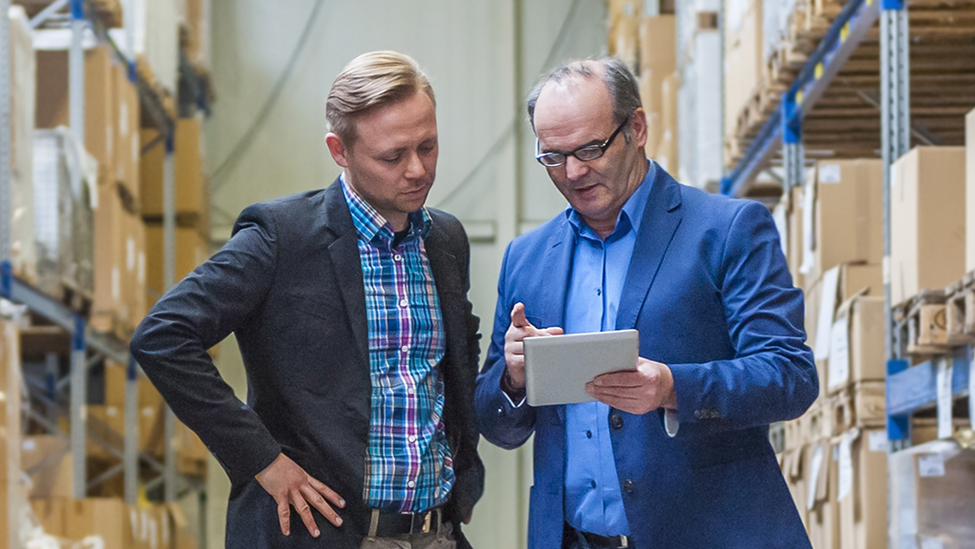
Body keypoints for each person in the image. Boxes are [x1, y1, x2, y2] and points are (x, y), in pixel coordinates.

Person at [130, 51, 484, 549]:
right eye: (392, 156)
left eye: (428, 146)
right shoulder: (281, 238)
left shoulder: (445, 241)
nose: (417, 169)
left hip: (436, 531)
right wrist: (262, 461)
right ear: (339, 150)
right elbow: (163, 336)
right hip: (324, 535)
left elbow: (453, 370)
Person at [474, 57, 818, 549]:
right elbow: (498, 426)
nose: (573, 172)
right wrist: (512, 378)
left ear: (636, 127)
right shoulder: (527, 259)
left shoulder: (726, 231)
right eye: (553, 157)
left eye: (590, 149)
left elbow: (790, 376)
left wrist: (674, 388)